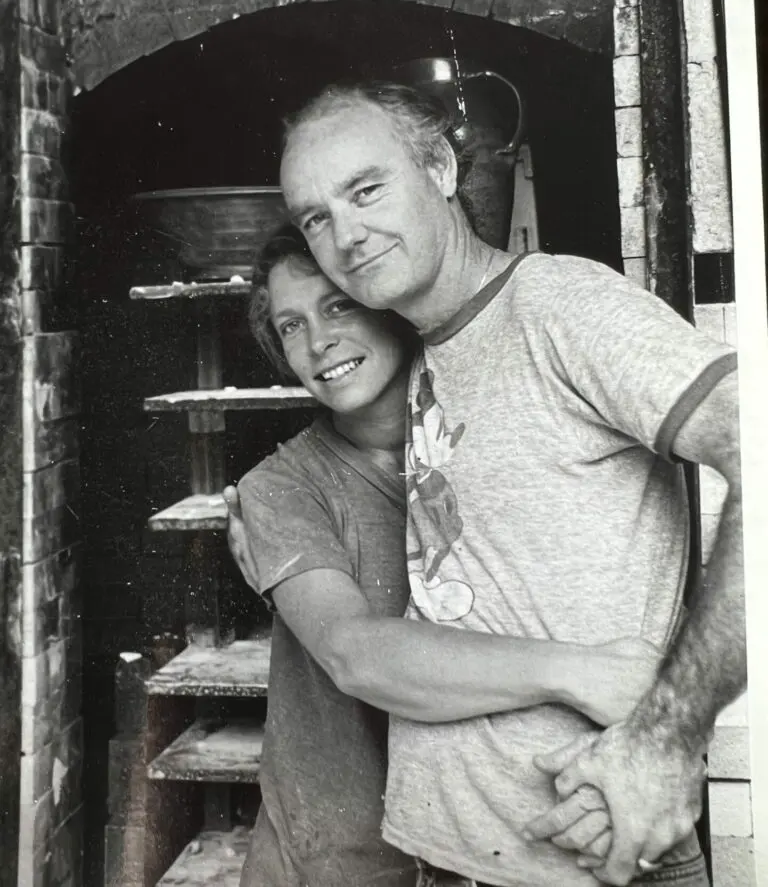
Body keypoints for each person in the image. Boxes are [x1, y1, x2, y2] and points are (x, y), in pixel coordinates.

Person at [268, 80, 743, 887]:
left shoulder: (559, 305)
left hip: (589, 862)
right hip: (449, 857)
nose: (345, 235)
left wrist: (668, 737)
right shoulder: (426, 350)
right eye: (316, 217)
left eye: (366, 190)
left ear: (441, 169)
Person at [228, 223, 663, 887]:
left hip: (489, 844)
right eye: (291, 325)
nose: (318, 342)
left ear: (389, 303)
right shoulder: (282, 487)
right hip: (335, 858)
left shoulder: (490, 444)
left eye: (338, 305)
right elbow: (353, 653)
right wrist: (581, 672)